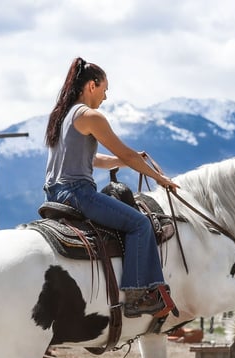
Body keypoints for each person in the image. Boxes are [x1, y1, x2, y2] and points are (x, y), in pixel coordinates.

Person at [43, 57, 179, 318]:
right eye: (104, 90)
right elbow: (128, 154)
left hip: (54, 193)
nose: (105, 97)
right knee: (140, 224)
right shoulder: (90, 116)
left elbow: (92, 159)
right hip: (78, 194)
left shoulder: (61, 116)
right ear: (92, 86)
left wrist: (122, 161)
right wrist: (160, 179)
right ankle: (138, 295)